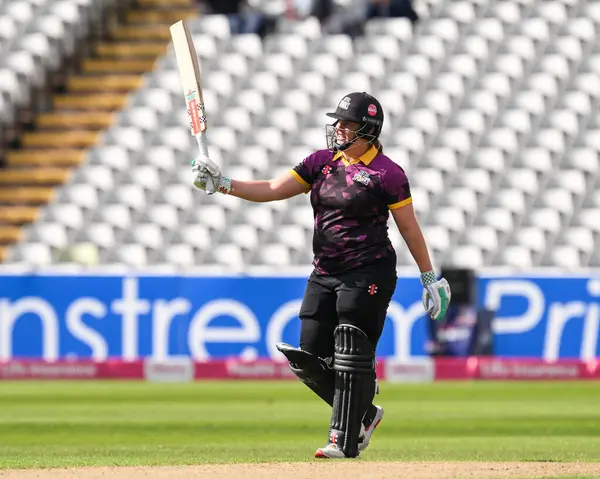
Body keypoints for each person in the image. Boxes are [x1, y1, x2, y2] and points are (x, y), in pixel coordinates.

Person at [191, 92, 451, 458]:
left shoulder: (387, 174)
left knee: (352, 349)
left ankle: (341, 440)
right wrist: (224, 184)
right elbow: (271, 189)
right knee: (308, 355)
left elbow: (409, 227)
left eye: (347, 123)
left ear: (369, 129)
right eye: (338, 122)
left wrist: (429, 276)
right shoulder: (321, 162)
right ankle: (366, 413)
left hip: (368, 272)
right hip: (324, 271)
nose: (339, 129)